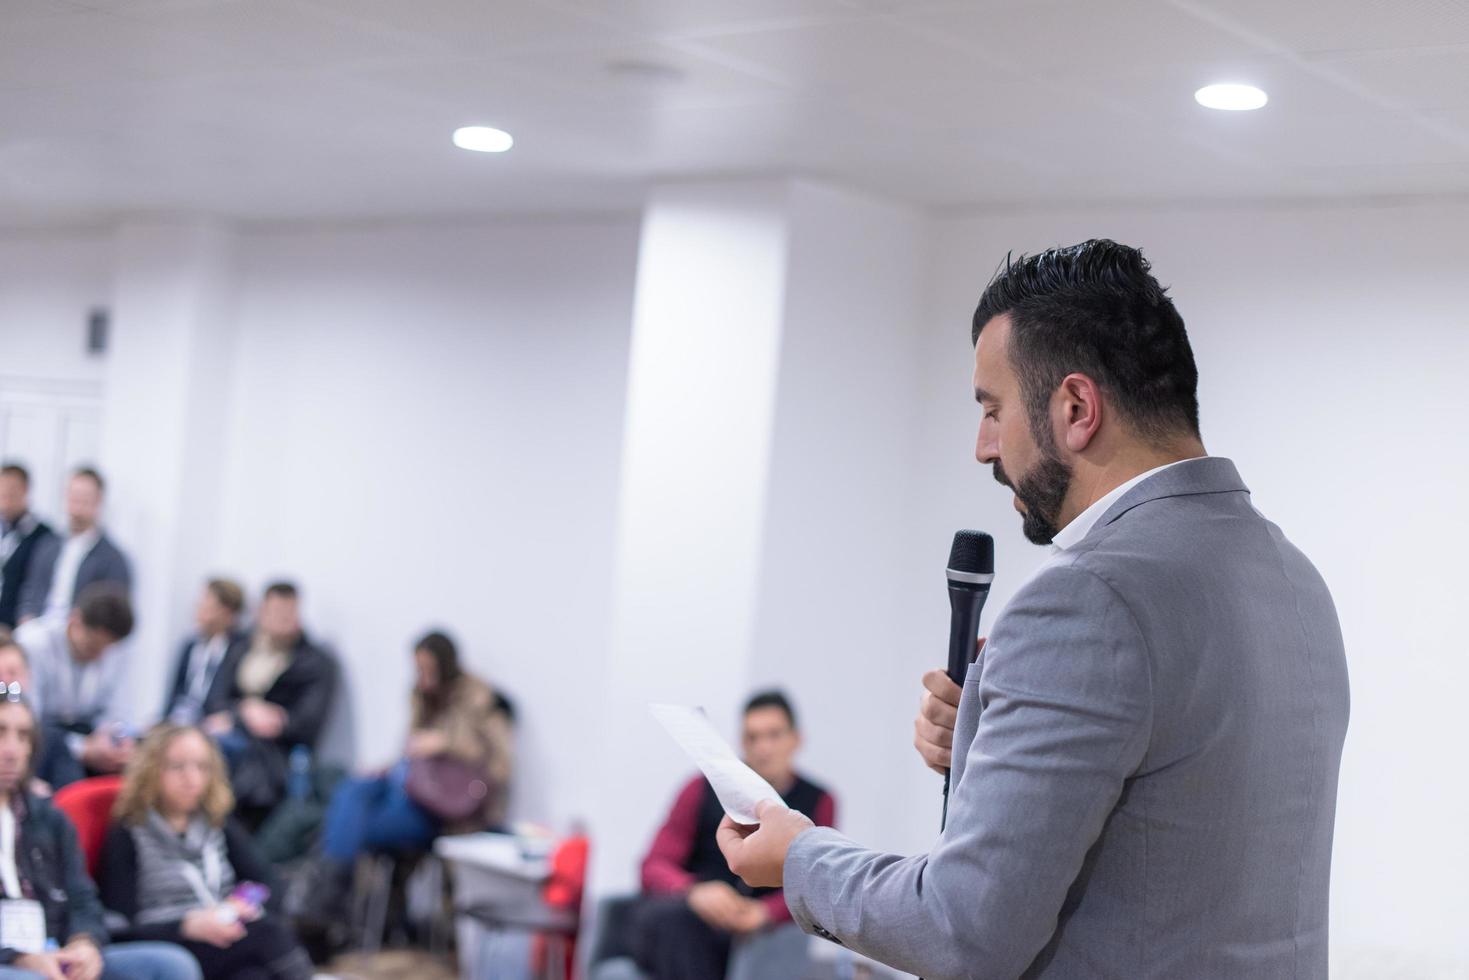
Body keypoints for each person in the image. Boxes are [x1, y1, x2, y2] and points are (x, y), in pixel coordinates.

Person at [717, 240, 1351, 979]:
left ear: (1075, 407)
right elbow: (1177, 808)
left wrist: (799, 855)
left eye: (992, 409)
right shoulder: (1293, 578)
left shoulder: (1085, 597)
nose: (983, 447)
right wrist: (989, 742)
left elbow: (960, 930)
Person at [309, 630, 512, 921]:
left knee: (348, 823)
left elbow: (498, 763)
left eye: (429, 669)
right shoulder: (420, 695)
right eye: (419, 668)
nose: (423, 675)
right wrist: (392, 765)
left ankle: (327, 905)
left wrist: (445, 742)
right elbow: (411, 753)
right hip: (410, 790)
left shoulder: (480, 701)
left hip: (443, 810)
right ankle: (329, 902)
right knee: (354, 788)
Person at [632, 691, 835, 980]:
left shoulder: (819, 801)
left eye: (774, 735)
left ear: (796, 739)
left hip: (751, 929)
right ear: (742, 742)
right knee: (675, 923)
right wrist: (694, 892)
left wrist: (765, 912)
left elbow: (817, 882)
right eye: (753, 737)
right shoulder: (700, 788)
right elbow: (653, 866)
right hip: (690, 917)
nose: (763, 747)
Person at [0, 694, 202, 980]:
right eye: (1, 732)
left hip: (52, 953)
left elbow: (83, 899)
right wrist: (17, 958)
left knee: (172, 965)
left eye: (23, 736)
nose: (12, 750)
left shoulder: (49, 820)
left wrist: (84, 943)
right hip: (12, 964)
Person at [98, 725, 313, 980]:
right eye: (178, 767)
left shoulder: (215, 822)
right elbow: (120, 927)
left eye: (202, 767)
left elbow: (268, 881)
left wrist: (242, 906)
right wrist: (186, 927)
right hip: (173, 943)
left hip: (223, 933)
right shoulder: (129, 833)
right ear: (150, 771)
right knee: (268, 934)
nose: (192, 778)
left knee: (252, 975)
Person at [200, 582, 337, 822]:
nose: (284, 620)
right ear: (261, 612)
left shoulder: (315, 662)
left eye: (289, 613)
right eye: (276, 613)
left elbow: (305, 724)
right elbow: (214, 700)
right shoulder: (240, 646)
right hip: (228, 732)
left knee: (213, 753)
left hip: (272, 755)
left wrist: (250, 719)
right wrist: (244, 713)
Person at [14, 585, 136, 789]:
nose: (99, 657)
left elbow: (115, 710)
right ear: (75, 620)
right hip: (44, 734)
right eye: (92, 647)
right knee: (63, 762)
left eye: (106, 649)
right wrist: (83, 748)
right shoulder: (33, 644)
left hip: (88, 732)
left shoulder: (113, 650)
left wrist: (115, 738)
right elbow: (28, 719)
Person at [20, 468, 130, 624]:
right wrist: (26, 618)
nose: (77, 507)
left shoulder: (112, 559)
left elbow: (113, 613)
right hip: (38, 627)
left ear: (98, 501)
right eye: (74, 498)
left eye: (85, 499)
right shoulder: (48, 545)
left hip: (80, 636)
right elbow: (30, 590)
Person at [161, 581, 248, 727]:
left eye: (207, 602)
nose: (198, 607)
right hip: (180, 720)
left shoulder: (240, 649)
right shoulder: (190, 646)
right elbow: (175, 694)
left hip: (213, 724)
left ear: (227, 613)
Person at [0, 465, 55, 630]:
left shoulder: (43, 536)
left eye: (11, 492)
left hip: (17, 624)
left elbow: (38, 584)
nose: (6, 498)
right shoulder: (4, 530)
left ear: (25, 491)